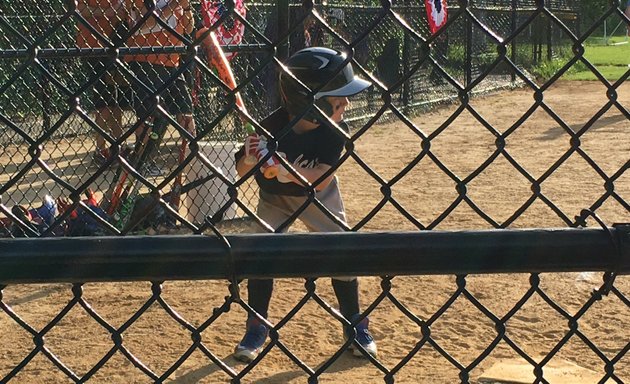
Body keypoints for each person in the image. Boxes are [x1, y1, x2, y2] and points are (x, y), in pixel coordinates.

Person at [232, 47, 378, 363]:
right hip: (275, 199)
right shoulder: (270, 126)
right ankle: (256, 326)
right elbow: (242, 170)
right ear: (308, 103)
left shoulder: (337, 131)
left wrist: (285, 169)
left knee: (341, 248)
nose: (347, 104)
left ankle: (354, 322)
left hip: (320, 198)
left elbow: (321, 179)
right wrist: (251, 156)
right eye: (338, 100)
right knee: (262, 252)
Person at [124, 0, 196, 176]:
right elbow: (141, 25)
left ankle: (193, 159)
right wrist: (173, 5)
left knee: (186, 110)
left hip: (172, 61)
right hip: (145, 60)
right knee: (148, 116)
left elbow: (189, 29)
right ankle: (142, 163)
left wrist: (186, 7)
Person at [76, 0, 131, 166]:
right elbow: (78, 8)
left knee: (116, 100)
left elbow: (124, 12)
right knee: (103, 100)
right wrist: (108, 12)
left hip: (115, 45)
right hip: (92, 46)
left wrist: (116, 12)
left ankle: (117, 147)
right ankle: (100, 150)